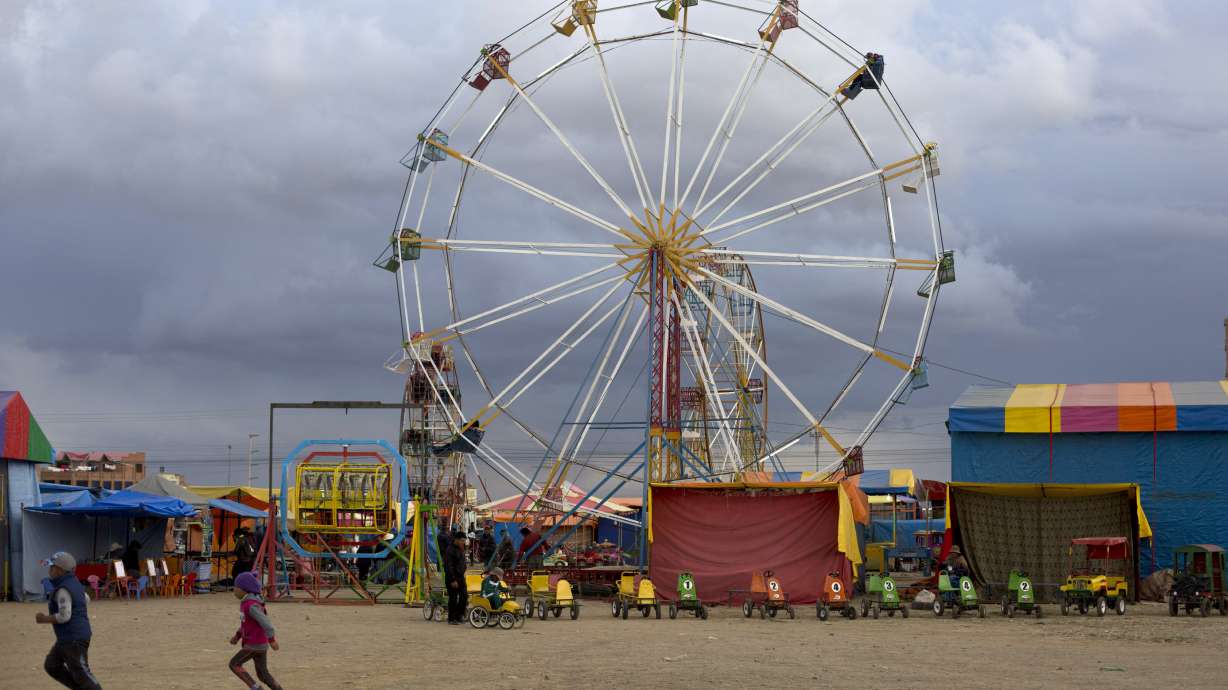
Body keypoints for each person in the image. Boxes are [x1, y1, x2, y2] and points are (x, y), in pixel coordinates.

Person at [36, 551, 102, 690]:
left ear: (60, 570)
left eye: (51, 567)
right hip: (67, 638)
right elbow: (86, 599)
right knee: (52, 665)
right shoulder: (74, 583)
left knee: (82, 675)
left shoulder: (63, 589)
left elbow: (65, 616)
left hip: (73, 638)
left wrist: (44, 619)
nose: (49, 570)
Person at [228, 571, 284, 690]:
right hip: (258, 645)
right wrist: (237, 636)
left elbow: (266, 623)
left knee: (234, 664)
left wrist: (272, 640)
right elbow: (246, 624)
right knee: (263, 675)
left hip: (255, 644)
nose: (234, 590)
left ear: (245, 589)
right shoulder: (247, 603)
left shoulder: (251, 605)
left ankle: (256, 688)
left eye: (236, 587)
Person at [443, 531, 469, 625]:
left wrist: (464, 570)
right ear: (456, 540)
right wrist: (453, 580)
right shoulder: (449, 550)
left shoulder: (461, 549)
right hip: (452, 578)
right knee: (453, 598)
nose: (463, 542)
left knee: (464, 596)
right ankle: (451, 618)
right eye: (462, 540)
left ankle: (459, 616)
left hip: (461, 578)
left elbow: (463, 563)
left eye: (464, 541)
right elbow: (448, 566)